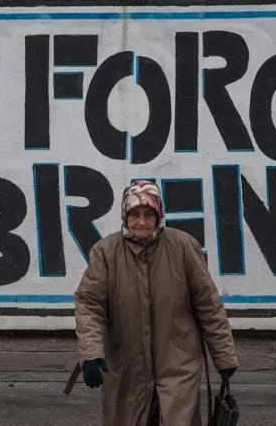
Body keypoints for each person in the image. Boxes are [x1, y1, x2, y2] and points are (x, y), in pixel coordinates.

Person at [74, 180, 238, 425]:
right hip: (126, 367)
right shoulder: (105, 252)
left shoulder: (183, 246)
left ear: (159, 214)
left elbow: (209, 306)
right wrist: (91, 354)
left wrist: (224, 358)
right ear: (124, 215)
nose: (141, 221)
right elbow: (90, 305)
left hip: (178, 367)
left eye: (148, 214)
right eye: (134, 214)